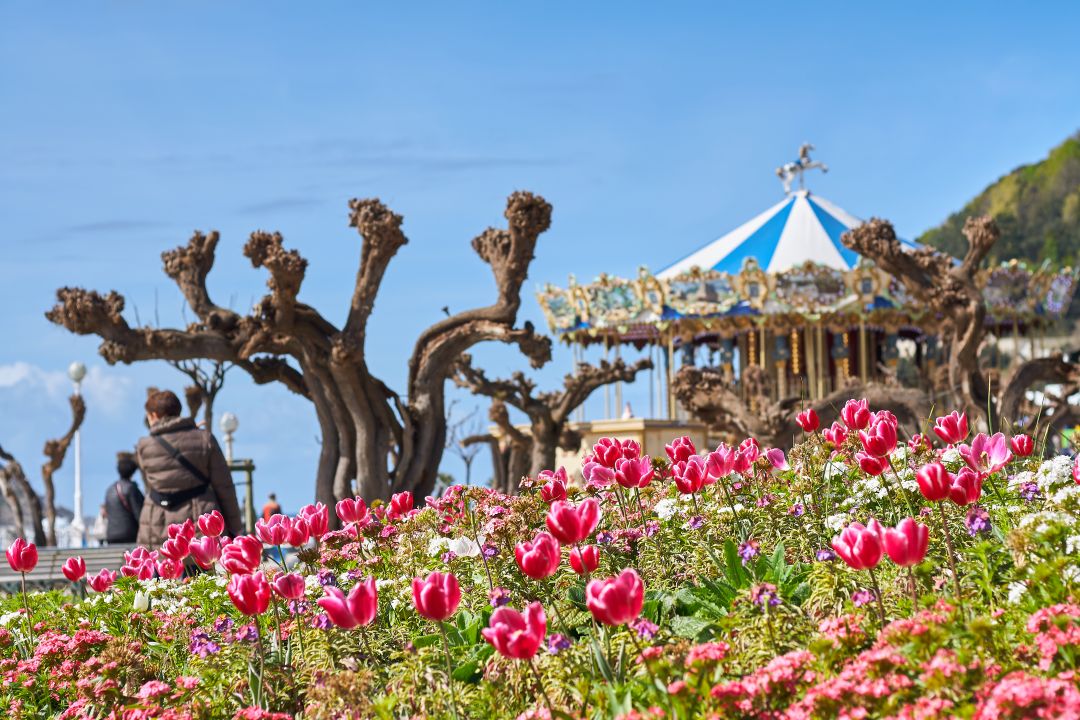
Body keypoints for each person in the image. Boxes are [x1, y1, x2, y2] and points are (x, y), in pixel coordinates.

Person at [135, 389, 243, 547]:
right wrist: (235, 528)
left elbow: (149, 485)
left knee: (163, 560)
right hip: (199, 518)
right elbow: (224, 487)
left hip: (157, 523)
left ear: (154, 415)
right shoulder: (204, 438)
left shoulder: (144, 445)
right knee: (203, 561)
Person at [103, 453, 144, 544]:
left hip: (111, 535)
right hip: (129, 535)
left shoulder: (110, 489)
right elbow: (139, 514)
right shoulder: (131, 488)